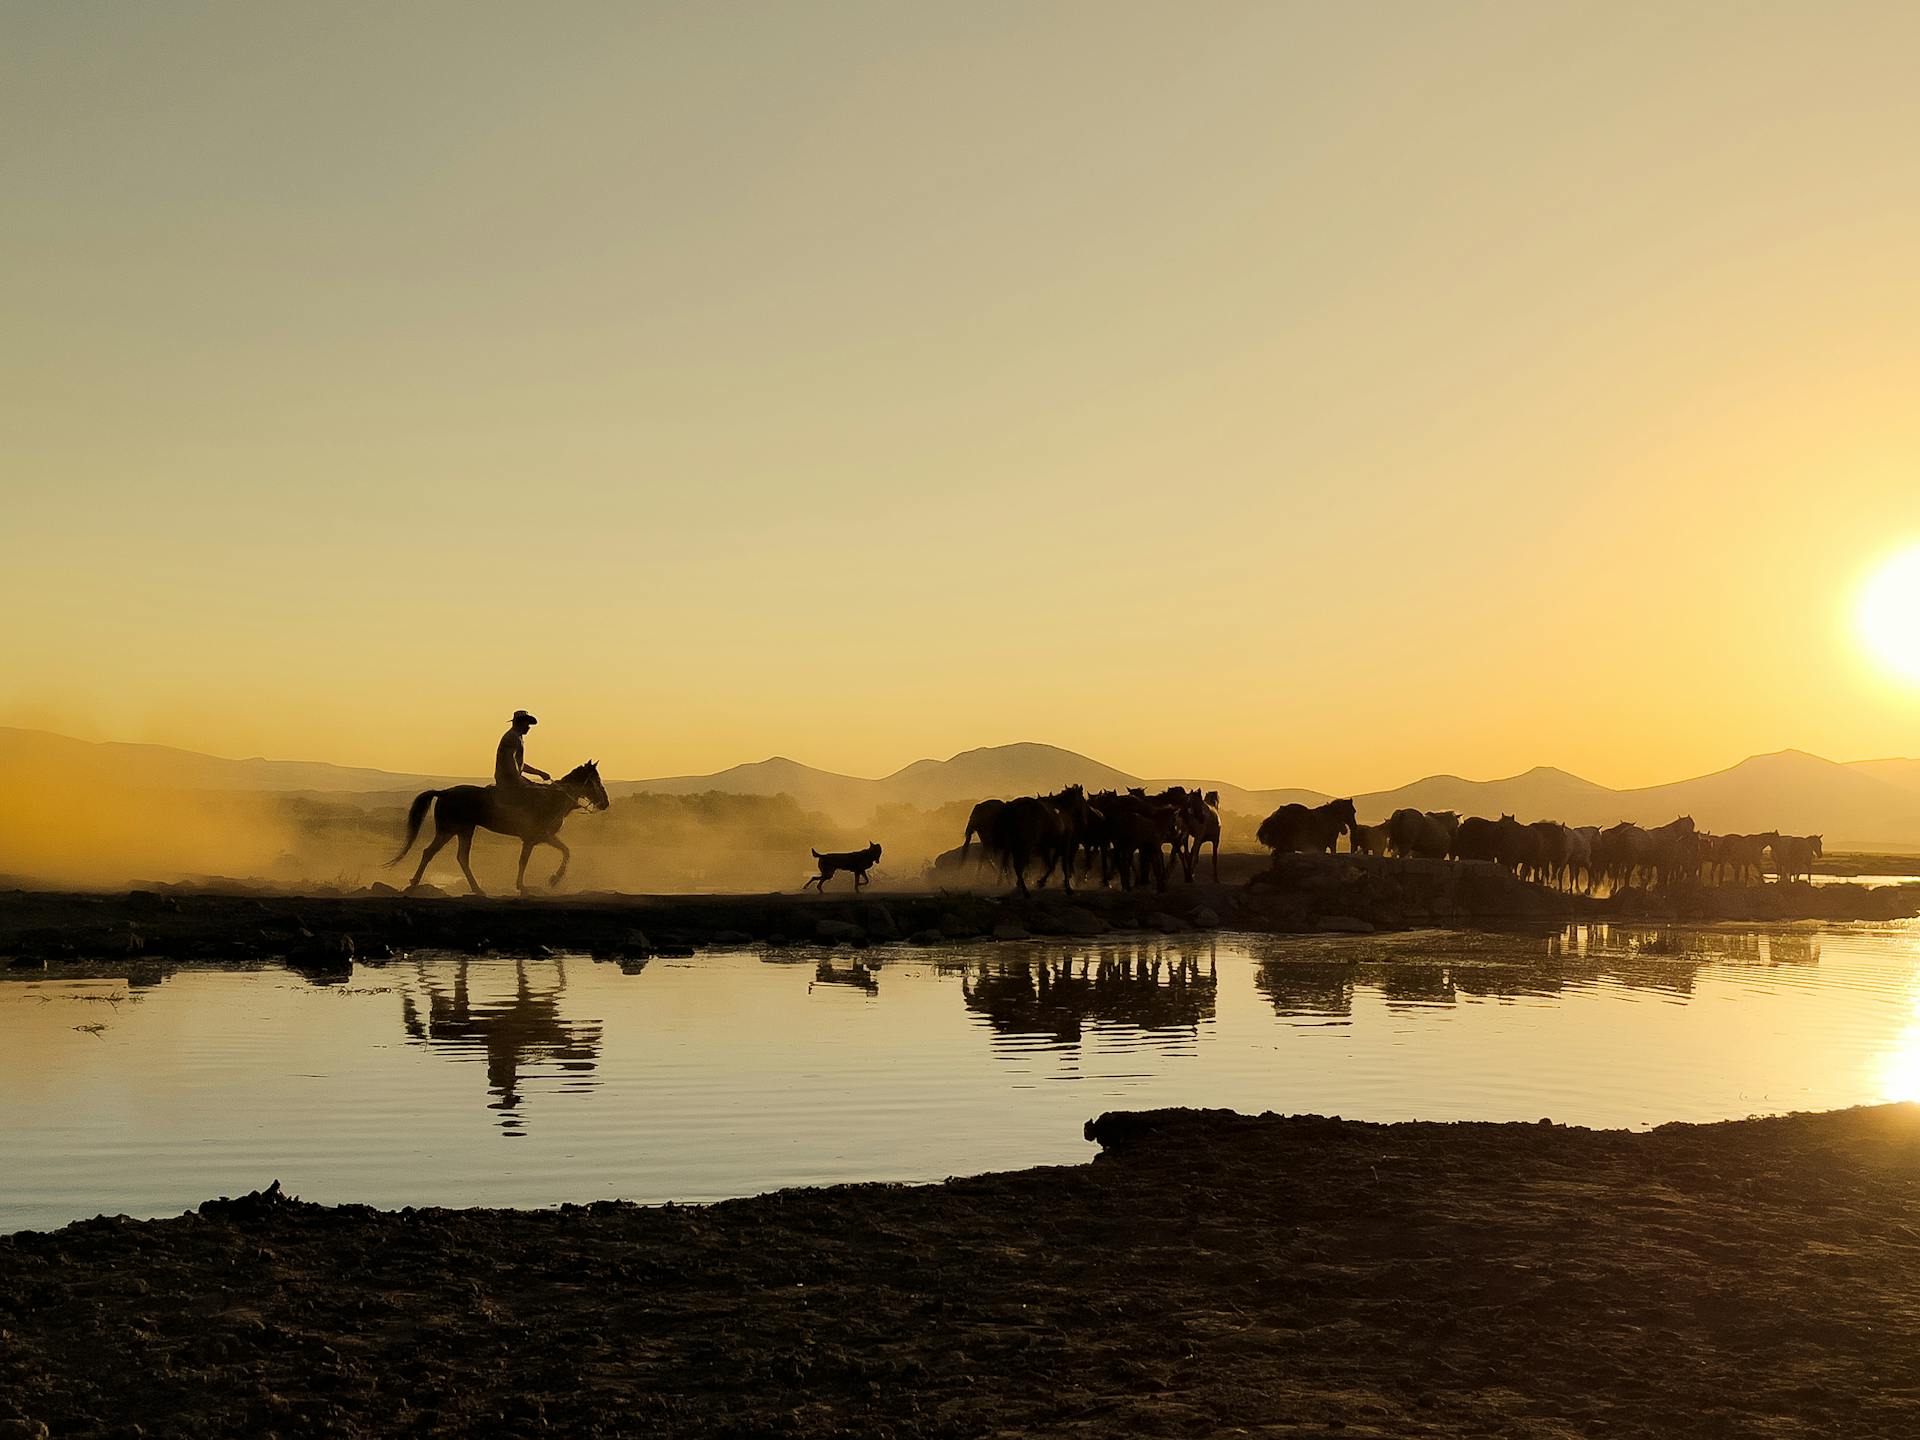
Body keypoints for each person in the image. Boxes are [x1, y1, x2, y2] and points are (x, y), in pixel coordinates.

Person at [494, 709, 551, 792]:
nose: (528, 727)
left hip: (512, 779)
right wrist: (520, 781)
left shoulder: (517, 737)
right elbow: (510, 763)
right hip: (508, 781)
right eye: (527, 724)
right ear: (520, 723)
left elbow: (519, 764)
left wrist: (539, 773)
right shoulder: (511, 738)